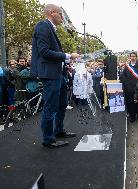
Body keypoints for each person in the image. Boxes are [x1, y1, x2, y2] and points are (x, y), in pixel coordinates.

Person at [31, 4, 79, 148]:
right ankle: (48, 139)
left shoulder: (50, 28)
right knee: (50, 107)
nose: (62, 17)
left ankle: (58, 130)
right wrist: (68, 56)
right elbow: (44, 52)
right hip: (50, 75)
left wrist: (66, 63)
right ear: (52, 13)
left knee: (62, 103)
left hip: (58, 73)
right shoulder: (42, 26)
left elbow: (50, 54)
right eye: (60, 14)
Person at [120, 52, 138, 122]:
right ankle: (132, 116)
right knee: (130, 103)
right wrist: (127, 85)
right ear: (129, 57)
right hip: (129, 88)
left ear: (136, 57)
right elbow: (123, 77)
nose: (133, 57)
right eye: (131, 56)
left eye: (134, 56)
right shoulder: (126, 67)